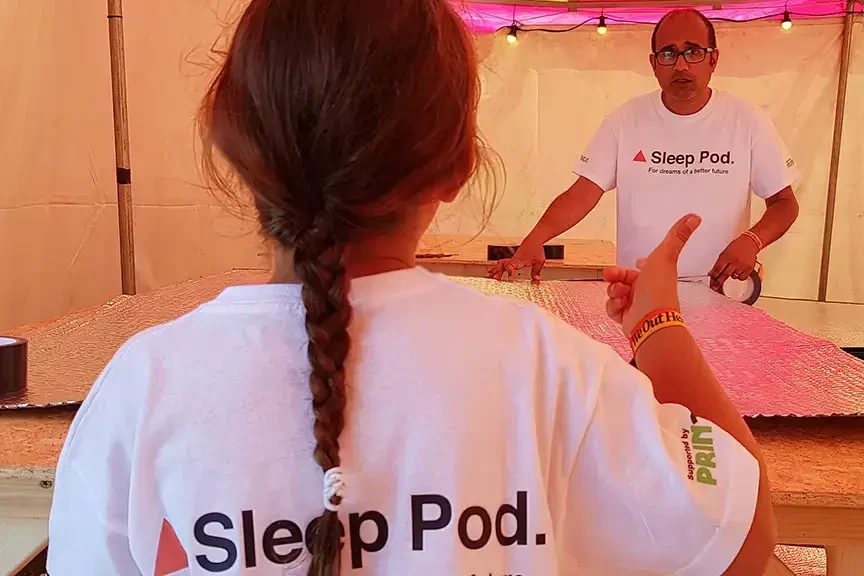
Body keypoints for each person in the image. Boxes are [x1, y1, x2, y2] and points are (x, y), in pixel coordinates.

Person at [47, 1, 775, 574]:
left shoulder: (141, 390)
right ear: (458, 163)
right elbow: (738, 537)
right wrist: (658, 327)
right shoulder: (542, 365)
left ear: (236, 151)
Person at [489, 8, 800, 291]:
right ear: (653, 64)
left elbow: (784, 203)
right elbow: (583, 192)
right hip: (640, 295)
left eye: (692, 52)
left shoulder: (748, 121)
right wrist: (535, 239)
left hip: (721, 295)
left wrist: (752, 241)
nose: (680, 65)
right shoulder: (625, 121)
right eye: (668, 54)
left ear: (713, 59)